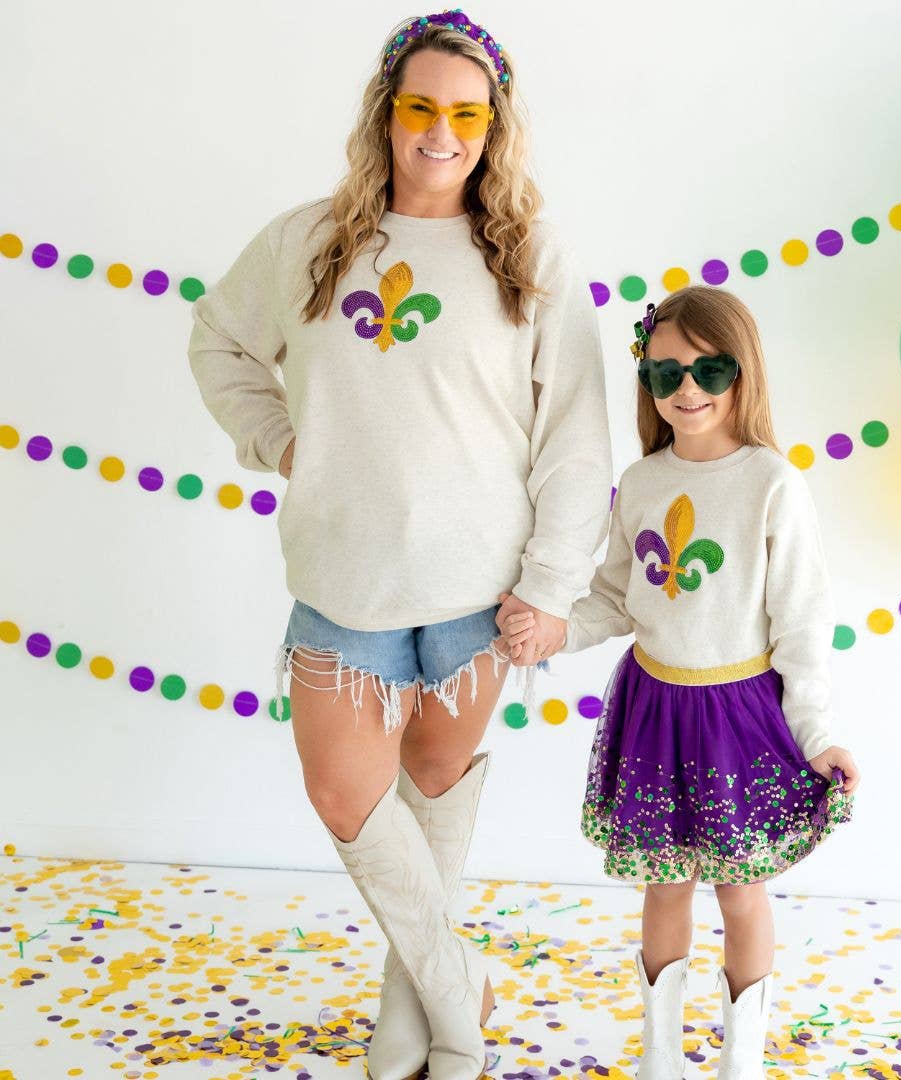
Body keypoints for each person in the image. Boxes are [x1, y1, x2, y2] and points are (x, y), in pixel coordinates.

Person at [186, 10, 611, 1078]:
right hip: (345, 582)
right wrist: (281, 441)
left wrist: (553, 584)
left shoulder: (529, 257)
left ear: (494, 127)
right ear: (386, 113)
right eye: (421, 107)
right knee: (345, 794)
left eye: (467, 114)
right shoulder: (307, 242)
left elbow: (573, 435)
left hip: (481, 592)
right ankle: (459, 984)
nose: (441, 133)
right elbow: (220, 341)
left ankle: (418, 1018)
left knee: (432, 788)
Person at [500, 287, 858, 1079]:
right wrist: (553, 627)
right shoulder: (641, 481)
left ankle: (742, 1056)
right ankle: (661, 1054)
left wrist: (817, 732)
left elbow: (802, 623)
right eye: (665, 374)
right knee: (665, 887)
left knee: (739, 890)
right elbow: (616, 596)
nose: (687, 389)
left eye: (708, 370)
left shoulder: (772, 482)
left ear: (743, 371)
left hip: (741, 716)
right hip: (654, 711)